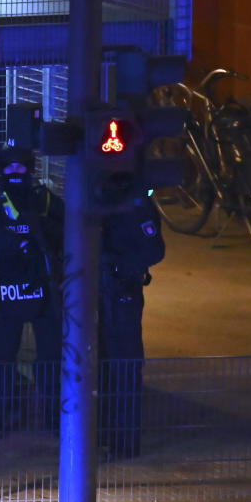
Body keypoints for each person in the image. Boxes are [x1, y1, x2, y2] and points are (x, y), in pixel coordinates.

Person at [0, 145, 65, 433]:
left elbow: (67, 231)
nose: (15, 173)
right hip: (7, 292)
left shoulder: (45, 199)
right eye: (9, 168)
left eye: (21, 167)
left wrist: (37, 231)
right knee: (2, 360)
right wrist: (27, 238)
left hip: (45, 291)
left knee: (50, 359)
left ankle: (53, 420)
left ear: (30, 168)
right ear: (0, 170)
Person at [99, 192, 165, 459]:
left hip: (122, 293)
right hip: (98, 295)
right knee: (101, 368)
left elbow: (154, 249)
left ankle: (124, 443)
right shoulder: (94, 196)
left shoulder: (136, 204)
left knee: (125, 368)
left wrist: (117, 266)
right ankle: (103, 436)